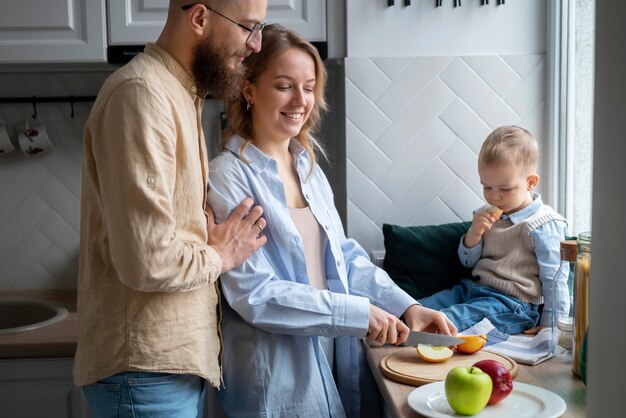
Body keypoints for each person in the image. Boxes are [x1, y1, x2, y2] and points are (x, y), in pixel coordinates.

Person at [206, 24, 457, 418]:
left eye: (308, 87)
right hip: (274, 379)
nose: (300, 100)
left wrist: (407, 307)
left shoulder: (308, 168)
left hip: (331, 356)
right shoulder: (227, 176)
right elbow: (257, 295)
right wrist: (357, 314)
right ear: (249, 90)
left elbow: (344, 257)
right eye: (284, 85)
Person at [74, 1, 269, 417]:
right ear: (199, 18)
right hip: (143, 376)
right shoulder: (142, 95)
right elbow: (147, 261)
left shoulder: (178, 93)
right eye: (249, 28)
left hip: (160, 374)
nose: (255, 45)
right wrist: (221, 254)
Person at [419, 125, 569, 335]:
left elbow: (555, 279)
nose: (493, 196)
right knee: (418, 308)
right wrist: (474, 235)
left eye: (504, 189)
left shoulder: (544, 223)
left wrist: (552, 325)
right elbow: (467, 262)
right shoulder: (484, 215)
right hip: (472, 289)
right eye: (486, 187)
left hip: (513, 304)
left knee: (447, 320)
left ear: (531, 182)